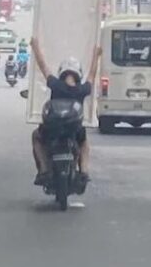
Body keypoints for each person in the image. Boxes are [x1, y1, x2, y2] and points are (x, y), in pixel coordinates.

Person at [30, 37, 101, 188]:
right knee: (85, 142)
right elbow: (92, 75)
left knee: (36, 136)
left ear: (62, 73)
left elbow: (43, 66)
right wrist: (96, 55)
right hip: (74, 131)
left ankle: (43, 170)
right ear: (78, 74)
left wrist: (35, 47)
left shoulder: (56, 85)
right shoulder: (82, 90)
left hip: (52, 131)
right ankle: (84, 171)